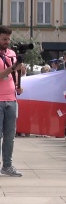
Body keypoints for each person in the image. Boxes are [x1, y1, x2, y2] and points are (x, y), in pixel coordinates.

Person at [0, 25, 23, 176]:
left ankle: (7, 166)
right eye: (4, 39)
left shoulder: (12, 53)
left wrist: (18, 84)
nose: (7, 41)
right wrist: (14, 67)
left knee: (10, 136)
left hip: (11, 100)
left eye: (8, 39)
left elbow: (16, 71)